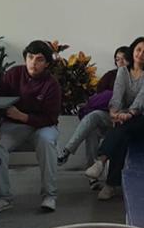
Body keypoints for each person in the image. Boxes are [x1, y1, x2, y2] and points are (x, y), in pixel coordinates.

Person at [0, 40, 62, 213]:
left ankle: (49, 195)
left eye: (39, 59)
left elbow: (51, 118)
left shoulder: (52, 84)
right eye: (30, 57)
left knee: (46, 141)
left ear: (47, 64)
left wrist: (23, 116)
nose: (33, 63)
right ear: (25, 58)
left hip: (44, 126)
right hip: (15, 127)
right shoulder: (13, 74)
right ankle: (3, 197)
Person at [85, 36, 144, 200]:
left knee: (124, 127)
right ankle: (110, 183)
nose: (141, 54)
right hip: (125, 121)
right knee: (123, 135)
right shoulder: (123, 71)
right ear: (133, 50)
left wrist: (130, 113)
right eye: (138, 50)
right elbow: (117, 95)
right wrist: (114, 112)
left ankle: (101, 161)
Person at [57, 46, 132, 185]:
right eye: (117, 59)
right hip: (107, 115)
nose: (120, 62)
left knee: (95, 120)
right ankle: (72, 155)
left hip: (126, 119)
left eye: (124, 59)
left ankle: (79, 161)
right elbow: (97, 98)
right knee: (93, 122)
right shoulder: (110, 76)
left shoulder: (136, 76)